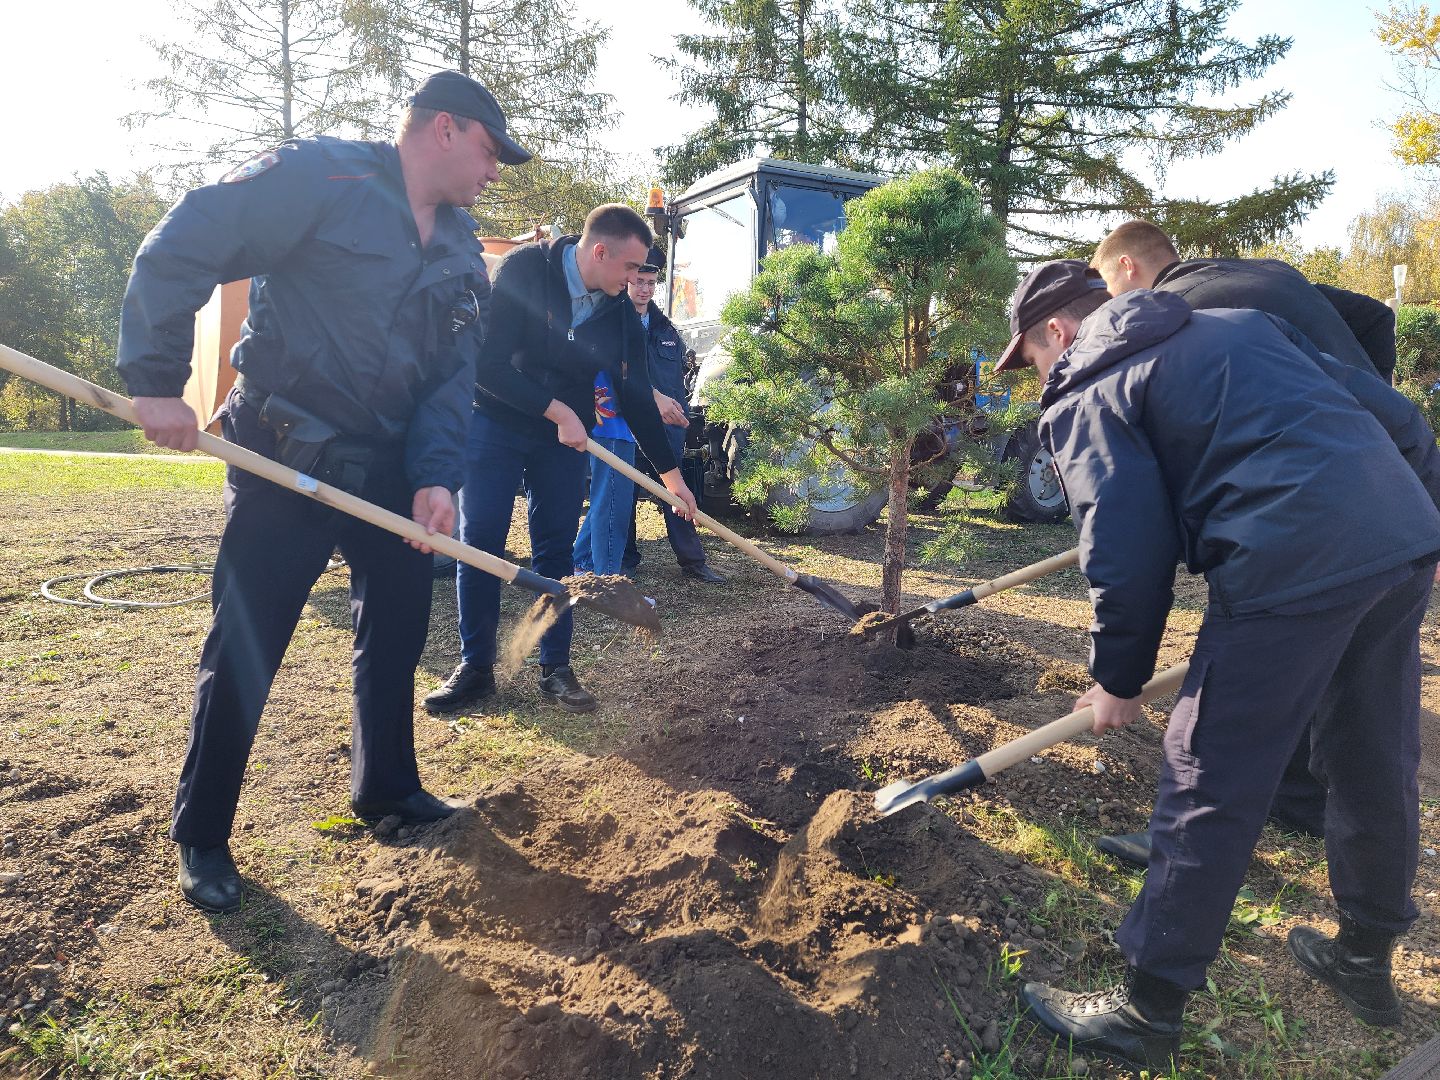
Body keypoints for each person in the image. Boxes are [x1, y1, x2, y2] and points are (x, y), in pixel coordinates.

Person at [991, 260, 1440, 1068]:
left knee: (1209, 772)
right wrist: (1417, 514)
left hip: (1290, 558)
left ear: (1057, 331)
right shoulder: (1242, 327)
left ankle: (1146, 1006)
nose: (1036, 377)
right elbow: (1399, 419)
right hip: (1400, 541)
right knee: (1373, 751)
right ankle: (1365, 961)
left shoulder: (1088, 388)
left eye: (1027, 358)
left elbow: (1125, 551)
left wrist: (1118, 678)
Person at [116, 70, 528, 913]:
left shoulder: (460, 249)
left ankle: (388, 791)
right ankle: (202, 831)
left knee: (400, 627)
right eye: (490, 151)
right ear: (444, 129)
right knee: (246, 643)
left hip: (386, 471)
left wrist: (434, 478)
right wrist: (155, 378)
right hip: (284, 451)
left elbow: (452, 378)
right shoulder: (321, 177)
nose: (495, 172)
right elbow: (189, 238)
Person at [1088, 220, 1399, 865]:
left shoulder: (1189, 316)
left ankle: (1187, 837)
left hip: (1300, 513)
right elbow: (1374, 317)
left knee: (1232, 678)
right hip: (1383, 486)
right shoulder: (1262, 275)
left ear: (1124, 269)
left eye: (1105, 289)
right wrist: (1364, 413)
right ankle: (1301, 801)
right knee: (1347, 671)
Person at [424, 206, 697, 717]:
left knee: (554, 550)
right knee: (480, 542)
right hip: (495, 425)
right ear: (600, 252)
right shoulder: (526, 270)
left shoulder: (619, 311)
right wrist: (556, 410)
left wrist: (672, 477)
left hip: (562, 443)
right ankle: (476, 667)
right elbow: (486, 365)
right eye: (631, 269)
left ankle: (556, 666)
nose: (636, 281)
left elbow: (635, 393)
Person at [621, 247, 726, 584]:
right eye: (638, 282)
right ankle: (625, 561)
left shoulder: (668, 332)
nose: (645, 289)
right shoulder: (616, 325)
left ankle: (693, 560)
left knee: (678, 494)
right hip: (626, 427)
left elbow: (676, 382)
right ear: (626, 281)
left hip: (667, 429)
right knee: (624, 493)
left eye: (651, 283)